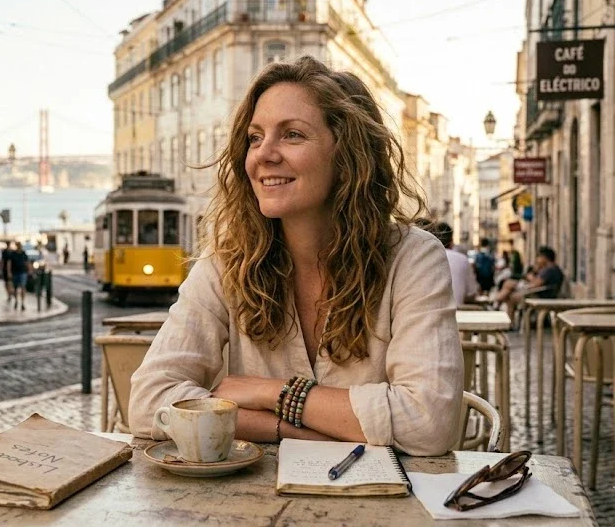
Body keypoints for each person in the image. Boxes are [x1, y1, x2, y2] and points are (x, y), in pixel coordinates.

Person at [128, 57, 463, 456]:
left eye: (292, 135)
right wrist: (298, 430)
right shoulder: (225, 263)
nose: (263, 155)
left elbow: (429, 422)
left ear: (348, 155)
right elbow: (150, 402)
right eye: (255, 137)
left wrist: (270, 393)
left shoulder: (412, 257)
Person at [495, 246, 564, 320]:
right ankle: (497, 304)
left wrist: (528, 281)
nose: (537, 260)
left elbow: (536, 285)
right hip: (539, 293)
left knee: (510, 295)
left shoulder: (549, 270)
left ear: (544, 257)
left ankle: (496, 304)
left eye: (539, 257)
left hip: (540, 296)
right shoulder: (550, 269)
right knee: (509, 287)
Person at [431, 222, 478, 306]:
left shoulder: (428, 258)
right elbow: (472, 292)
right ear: (452, 241)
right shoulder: (463, 259)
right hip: (457, 313)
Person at [7, 242, 32, 310]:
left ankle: (22, 303)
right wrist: (9, 272)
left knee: (23, 287)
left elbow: (27, 262)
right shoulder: (13, 254)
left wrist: (30, 270)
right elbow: (9, 263)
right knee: (15, 288)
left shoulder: (23, 253)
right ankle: (16, 301)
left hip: (22, 272)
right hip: (15, 272)